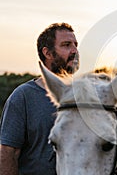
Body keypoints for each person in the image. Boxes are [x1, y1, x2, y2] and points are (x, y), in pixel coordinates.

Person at [0, 22, 79, 175]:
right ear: (47, 53)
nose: (75, 51)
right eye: (66, 45)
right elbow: (9, 153)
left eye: (76, 45)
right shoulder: (23, 97)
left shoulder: (87, 96)